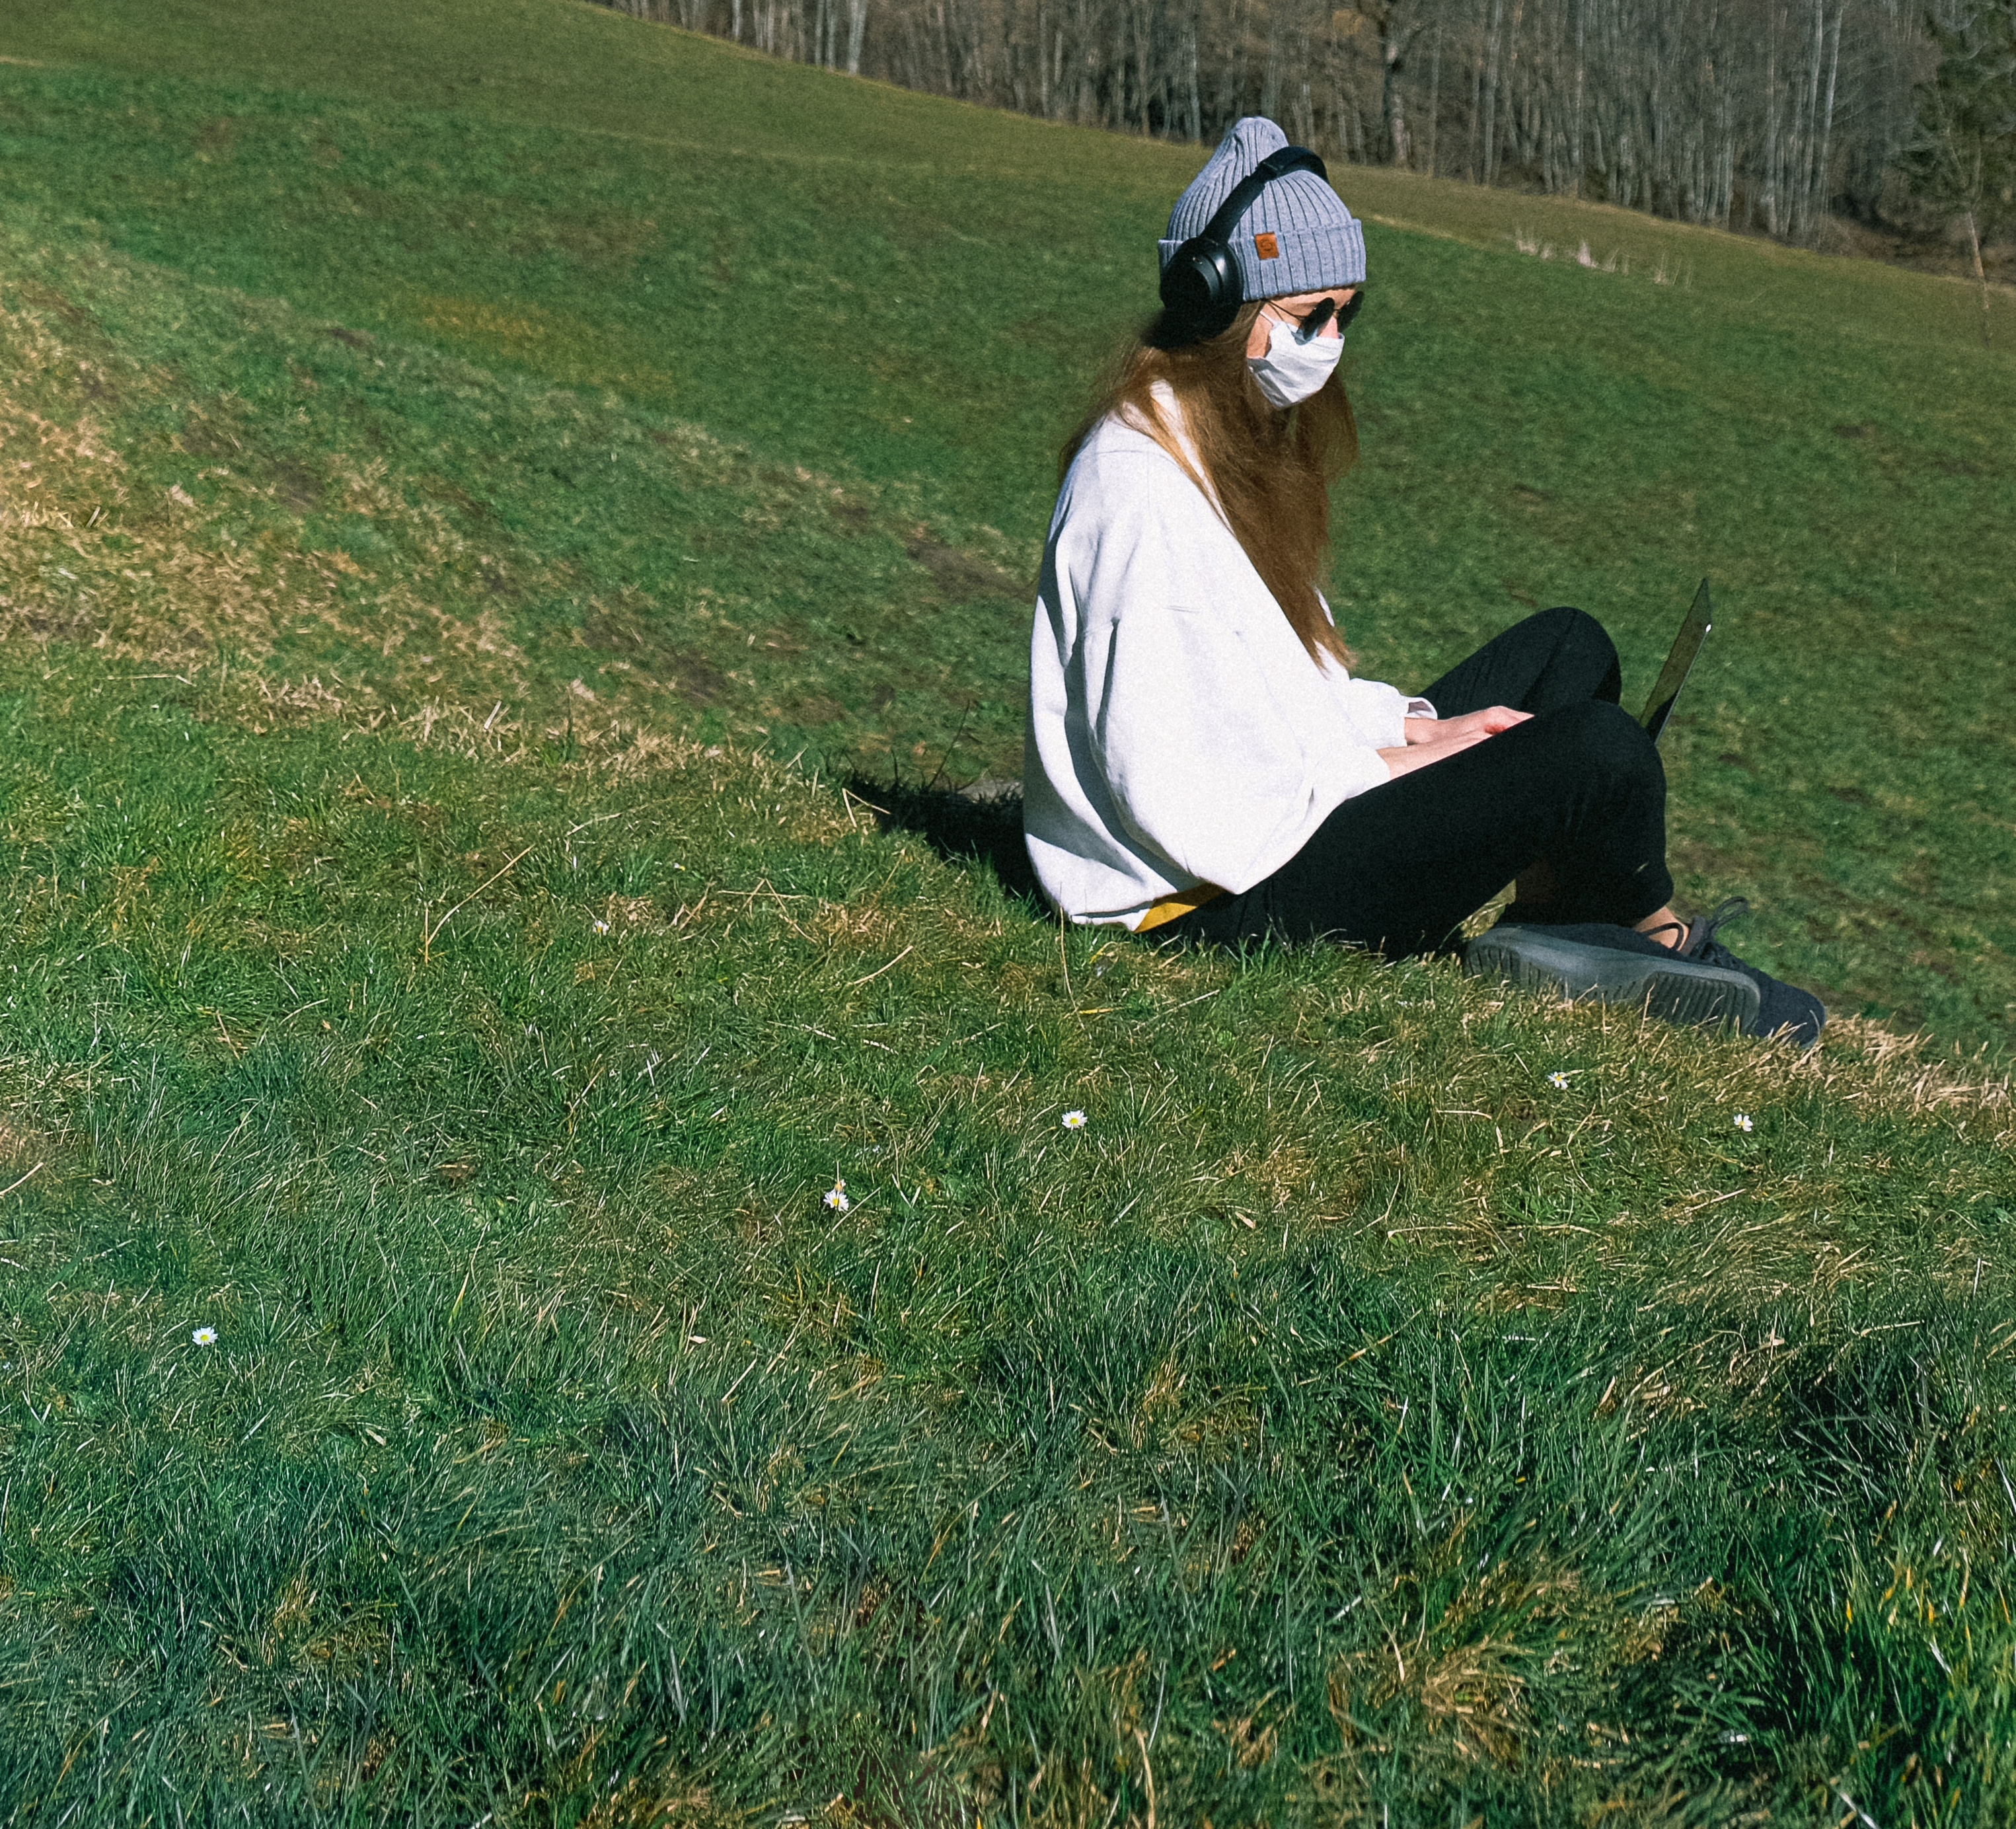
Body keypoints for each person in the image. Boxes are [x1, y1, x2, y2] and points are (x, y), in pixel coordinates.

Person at [1021, 116, 1824, 1045]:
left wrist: (1405, 726)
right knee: (1598, 749)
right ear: (1216, 304)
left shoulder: (1211, 449)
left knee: (1568, 645)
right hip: (1211, 907)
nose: (1328, 344)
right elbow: (1185, 789)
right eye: (1307, 317)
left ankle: (1560, 931)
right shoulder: (1139, 495)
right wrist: (1412, 761)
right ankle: (1657, 937)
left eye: (1344, 316)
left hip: (1272, 826)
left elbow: (1276, 687)